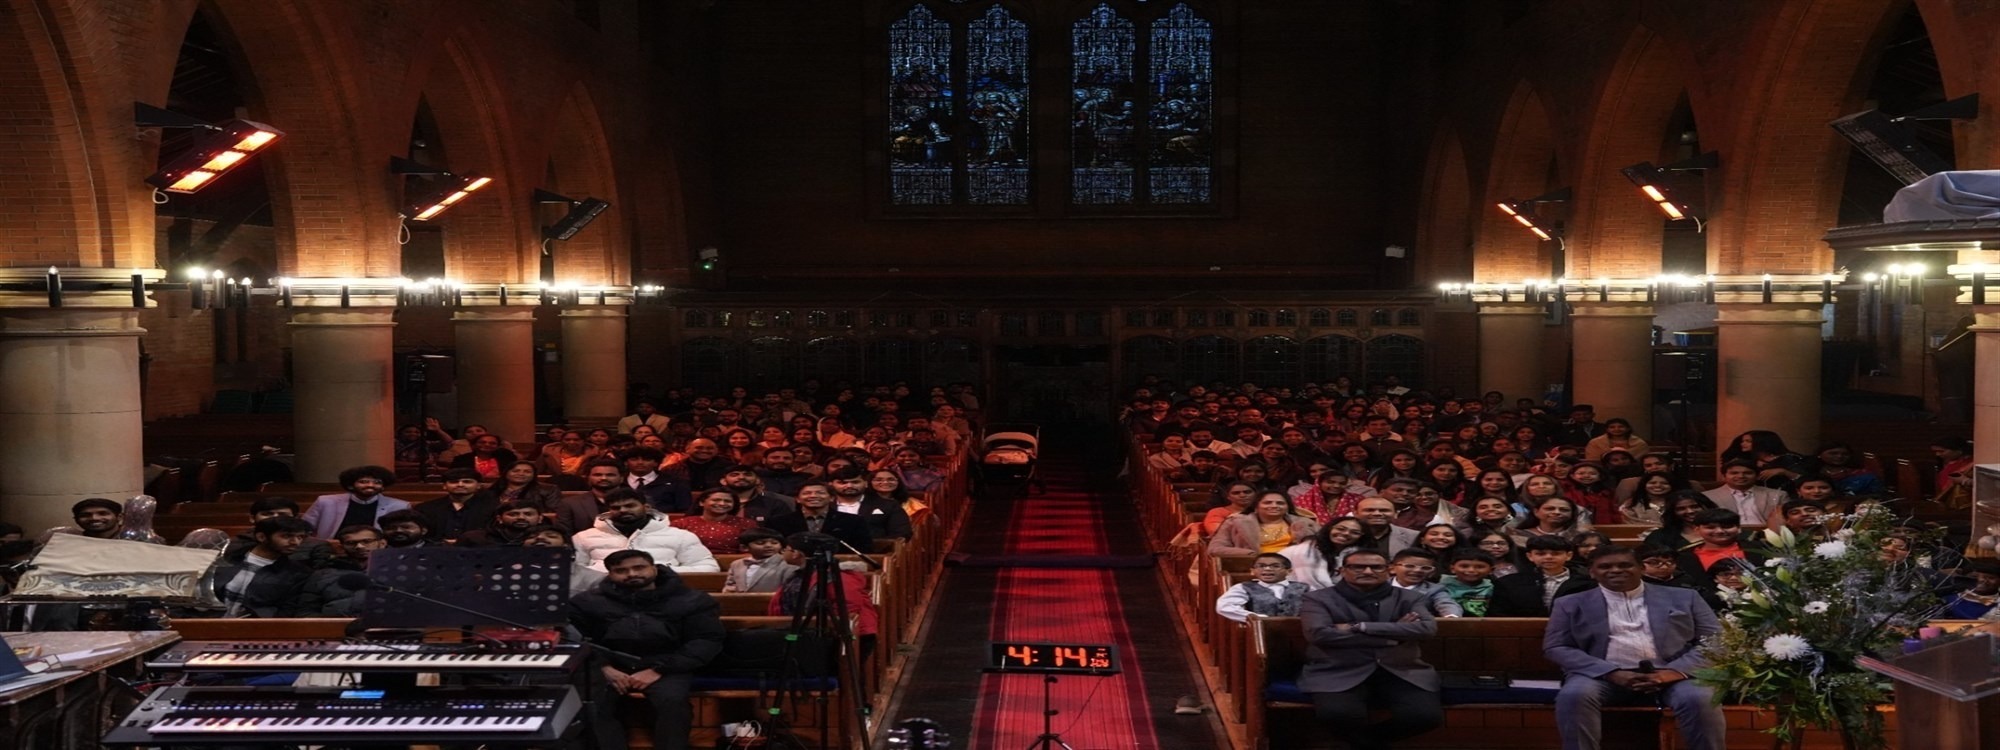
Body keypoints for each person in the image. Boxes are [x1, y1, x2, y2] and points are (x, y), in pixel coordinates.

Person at [1546, 546, 1725, 750]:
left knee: (1700, 697)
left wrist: (1673, 672)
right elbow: (1557, 646)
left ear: (1641, 568)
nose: (1615, 570)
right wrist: (1611, 673)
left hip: (1673, 673)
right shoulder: (1570, 603)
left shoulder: (1685, 597)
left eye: (1625, 565)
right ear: (1592, 572)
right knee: (1574, 695)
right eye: (1605, 567)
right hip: (1601, 675)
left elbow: (1717, 641)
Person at [569, 549, 724, 750]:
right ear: (610, 574)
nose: (632, 574)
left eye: (639, 567)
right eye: (621, 570)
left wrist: (659, 670)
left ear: (654, 568)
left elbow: (706, 640)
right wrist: (604, 667)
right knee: (592, 703)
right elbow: (577, 639)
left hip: (667, 664)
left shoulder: (692, 599)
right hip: (609, 664)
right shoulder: (586, 602)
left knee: (673, 702)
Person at [1296, 550, 1444, 750]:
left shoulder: (1410, 597)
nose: (1367, 571)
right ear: (1342, 571)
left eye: (1376, 567)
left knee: (1425, 717)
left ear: (1389, 570)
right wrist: (1392, 636)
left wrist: (1360, 626)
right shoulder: (1318, 598)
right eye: (1358, 567)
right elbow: (1319, 634)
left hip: (1401, 669)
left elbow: (1426, 629)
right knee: (1337, 715)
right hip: (1338, 669)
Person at [573, 490, 721, 573]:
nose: (623, 510)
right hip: (603, 594)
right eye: (616, 508)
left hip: (663, 593)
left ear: (647, 507)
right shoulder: (584, 537)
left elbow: (709, 567)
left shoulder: (680, 536)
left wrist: (660, 572)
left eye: (630, 506)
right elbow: (573, 570)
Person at [212, 516, 322, 618]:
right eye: (287, 536)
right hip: (210, 619)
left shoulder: (299, 573)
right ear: (261, 537)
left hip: (255, 627)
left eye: (300, 537)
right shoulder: (226, 558)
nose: (296, 542)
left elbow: (287, 611)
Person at [1488, 535, 1593, 617]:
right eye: (1541, 553)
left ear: (1569, 556)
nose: (1548, 557)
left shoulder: (1587, 583)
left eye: (1556, 553)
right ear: (1530, 556)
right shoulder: (1509, 582)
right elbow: (1499, 613)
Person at [222, 496, 336, 567]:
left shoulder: (315, 546)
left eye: (283, 515)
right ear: (252, 518)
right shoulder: (234, 543)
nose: (275, 518)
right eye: (267, 514)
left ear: (295, 518)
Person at [302, 465, 409, 538]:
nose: (370, 485)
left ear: (382, 487)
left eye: (377, 482)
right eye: (363, 482)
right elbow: (305, 528)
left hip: (376, 551)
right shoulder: (325, 502)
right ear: (350, 485)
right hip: (330, 549)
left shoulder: (399, 506)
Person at [765, 482, 873, 554]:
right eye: (807, 493)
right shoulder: (777, 522)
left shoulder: (854, 521)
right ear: (798, 499)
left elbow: (863, 549)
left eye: (820, 493)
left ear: (831, 498)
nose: (813, 496)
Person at [1675, 508, 1767, 592]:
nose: (1719, 531)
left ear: (1739, 528)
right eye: (1711, 527)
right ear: (1697, 529)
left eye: (1726, 526)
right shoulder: (1683, 557)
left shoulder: (1761, 549)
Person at [1210, 492, 1320, 556]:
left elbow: (1323, 546)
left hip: (1295, 566)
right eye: (1267, 503)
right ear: (1256, 507)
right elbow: (1214, 549)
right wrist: (1249, 554)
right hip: (1251, 566)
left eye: (1280, 503)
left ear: (1287, 507)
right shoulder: (1235, 522)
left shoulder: (1305, 523)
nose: (1274, 506)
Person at [309, 524, 384, 616]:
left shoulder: (394, 571)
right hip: (335, 623)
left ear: (382, 544)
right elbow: (307, 610)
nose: (359, 546)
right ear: (341, 547)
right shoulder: (322, 575)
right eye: (351, 543)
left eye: (367, 541)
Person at [1216, 552, 1311, 622]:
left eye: (1275, 566)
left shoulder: (1303, 587)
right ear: (1252, 571)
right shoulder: (1243, 587)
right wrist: (1258, 619)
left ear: (1288, 571)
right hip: (1261, 632)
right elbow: (1224, 606)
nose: (1267, 569)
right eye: (1261, 566)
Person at [827, 466, 912, 542]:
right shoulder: (825, 506)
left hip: (876, 552)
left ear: (866, 483)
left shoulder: (889, 505)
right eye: (842, 483)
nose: (849, 486)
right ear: (831, 485)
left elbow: (901, 533)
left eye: (855, 482)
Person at [413, 468, 498, 543]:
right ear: (444, 486)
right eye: (454, 482)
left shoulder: (493, 508)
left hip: (479, 551)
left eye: (467, 482)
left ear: (478, 485)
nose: (460, 484)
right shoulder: (425, 508)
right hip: (434, 550)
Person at [1281, 518, 1369, 589]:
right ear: (1330, 528)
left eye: (1355, 533)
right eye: (1340, 529)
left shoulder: (1362, 555)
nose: (1346, 533)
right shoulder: (1301, 551)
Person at [1701, 460, 1786, 527]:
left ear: (1757, 476)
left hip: (1767, 535)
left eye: (1747, 473)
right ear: (1724, 476)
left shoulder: (1777, 495)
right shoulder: (1708, 496)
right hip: (1725, 535)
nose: (1741, 476)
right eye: (1734, 473)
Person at [676, 489, 761, 555]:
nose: (722, 503)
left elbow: (754, 550)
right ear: (702, 503)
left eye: (727, 501)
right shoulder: (682, 524)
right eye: (716, 500)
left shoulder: (746, 524)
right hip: (690, 563)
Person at [1389, 549, 1461, 617]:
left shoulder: (1434, 590)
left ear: (1432, 572)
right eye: (1409, 566)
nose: (1418, 570)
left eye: (1425, 568)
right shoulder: (1382, 585)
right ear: (1392, 568)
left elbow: (1446, 604)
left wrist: (1451, 616)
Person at [723, 528, 798, 593]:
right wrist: (729, 590)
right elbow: (730, 584)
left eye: (774, 543)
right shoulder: (736, 564)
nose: (769, 545)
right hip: (740, 602)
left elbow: (789, 588)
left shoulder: (787, 564)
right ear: (744, 547)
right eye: (760, 543)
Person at [623, 447, 694, 514]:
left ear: (656, 463)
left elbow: (684, 509)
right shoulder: (619, 482)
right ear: (626, 462)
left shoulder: (676, 482)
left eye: (646, 460)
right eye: (634, 459)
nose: (640, 462)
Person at [1639, 492, 1718, 551]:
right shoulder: (1660, 536)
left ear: (1707, 506)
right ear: (1672, 512)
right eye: (1681, 509)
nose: (1690, 511)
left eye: (1695, 507)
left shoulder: (1722, 531)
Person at [456, 501, 548, 547]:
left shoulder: (549, 539)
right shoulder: (475, 538)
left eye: (528, 514)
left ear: (540, 518)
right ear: (499, 518)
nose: (521, 517)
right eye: (513, 514)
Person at [1352, 496, 1419, 558]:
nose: (1377, 514)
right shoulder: (1346, 534)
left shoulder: (1413, 536)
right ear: (1355, 513)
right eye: (1369, 510)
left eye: (1384, 510)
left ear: (1395, 514)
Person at [1442, 551, 1495, 616]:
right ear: (1452, 568)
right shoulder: (1441, 587)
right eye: (1464, 566)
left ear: (1491, 570)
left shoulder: (1494, 588)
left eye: (1479, 567)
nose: (1471, 570)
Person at [1582, 418, 1648, 461]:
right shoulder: (1595, 443)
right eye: (1612, 427)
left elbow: (1642, 461)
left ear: (1628, 428)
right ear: (1607, 429)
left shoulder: (1639, 443)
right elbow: (1593, 460)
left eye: (1621, 427)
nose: (1617, 429)